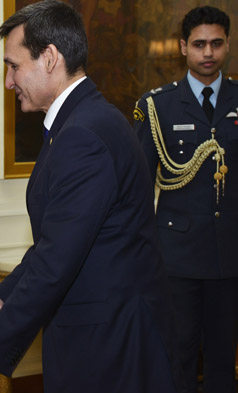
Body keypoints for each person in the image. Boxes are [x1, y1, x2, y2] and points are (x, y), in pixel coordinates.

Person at [0, 1, 184, 392]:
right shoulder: (79, 123)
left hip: (111, 347)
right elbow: (55, 246)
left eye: (13, 65)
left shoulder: (83, 134)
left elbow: (56, 262)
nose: (8, 81)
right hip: (101, 338)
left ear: (50, 58)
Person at [133, 6, 238, 393]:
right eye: (198, 44)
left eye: (215, 43)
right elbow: (140, 189)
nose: (207, 53)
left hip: (229, 256)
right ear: (183, 47)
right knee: (176, 356)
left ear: (227, 45)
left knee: (224, 359)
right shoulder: (156, 107)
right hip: (176, 257)